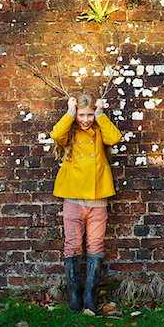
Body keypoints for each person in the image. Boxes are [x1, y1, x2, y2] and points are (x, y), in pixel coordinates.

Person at [50, 92, 121, 313]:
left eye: (89, 114)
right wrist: (70, 113)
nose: (86, 119)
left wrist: (101, 114)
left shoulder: (100, 130)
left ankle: (89, 297)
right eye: (82, 114)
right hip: (72, 197)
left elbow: (115, 138)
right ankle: (74, 298)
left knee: (95, 246)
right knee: (72, 245)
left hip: (98, 198)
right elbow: (55, 134)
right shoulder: (69, 132)